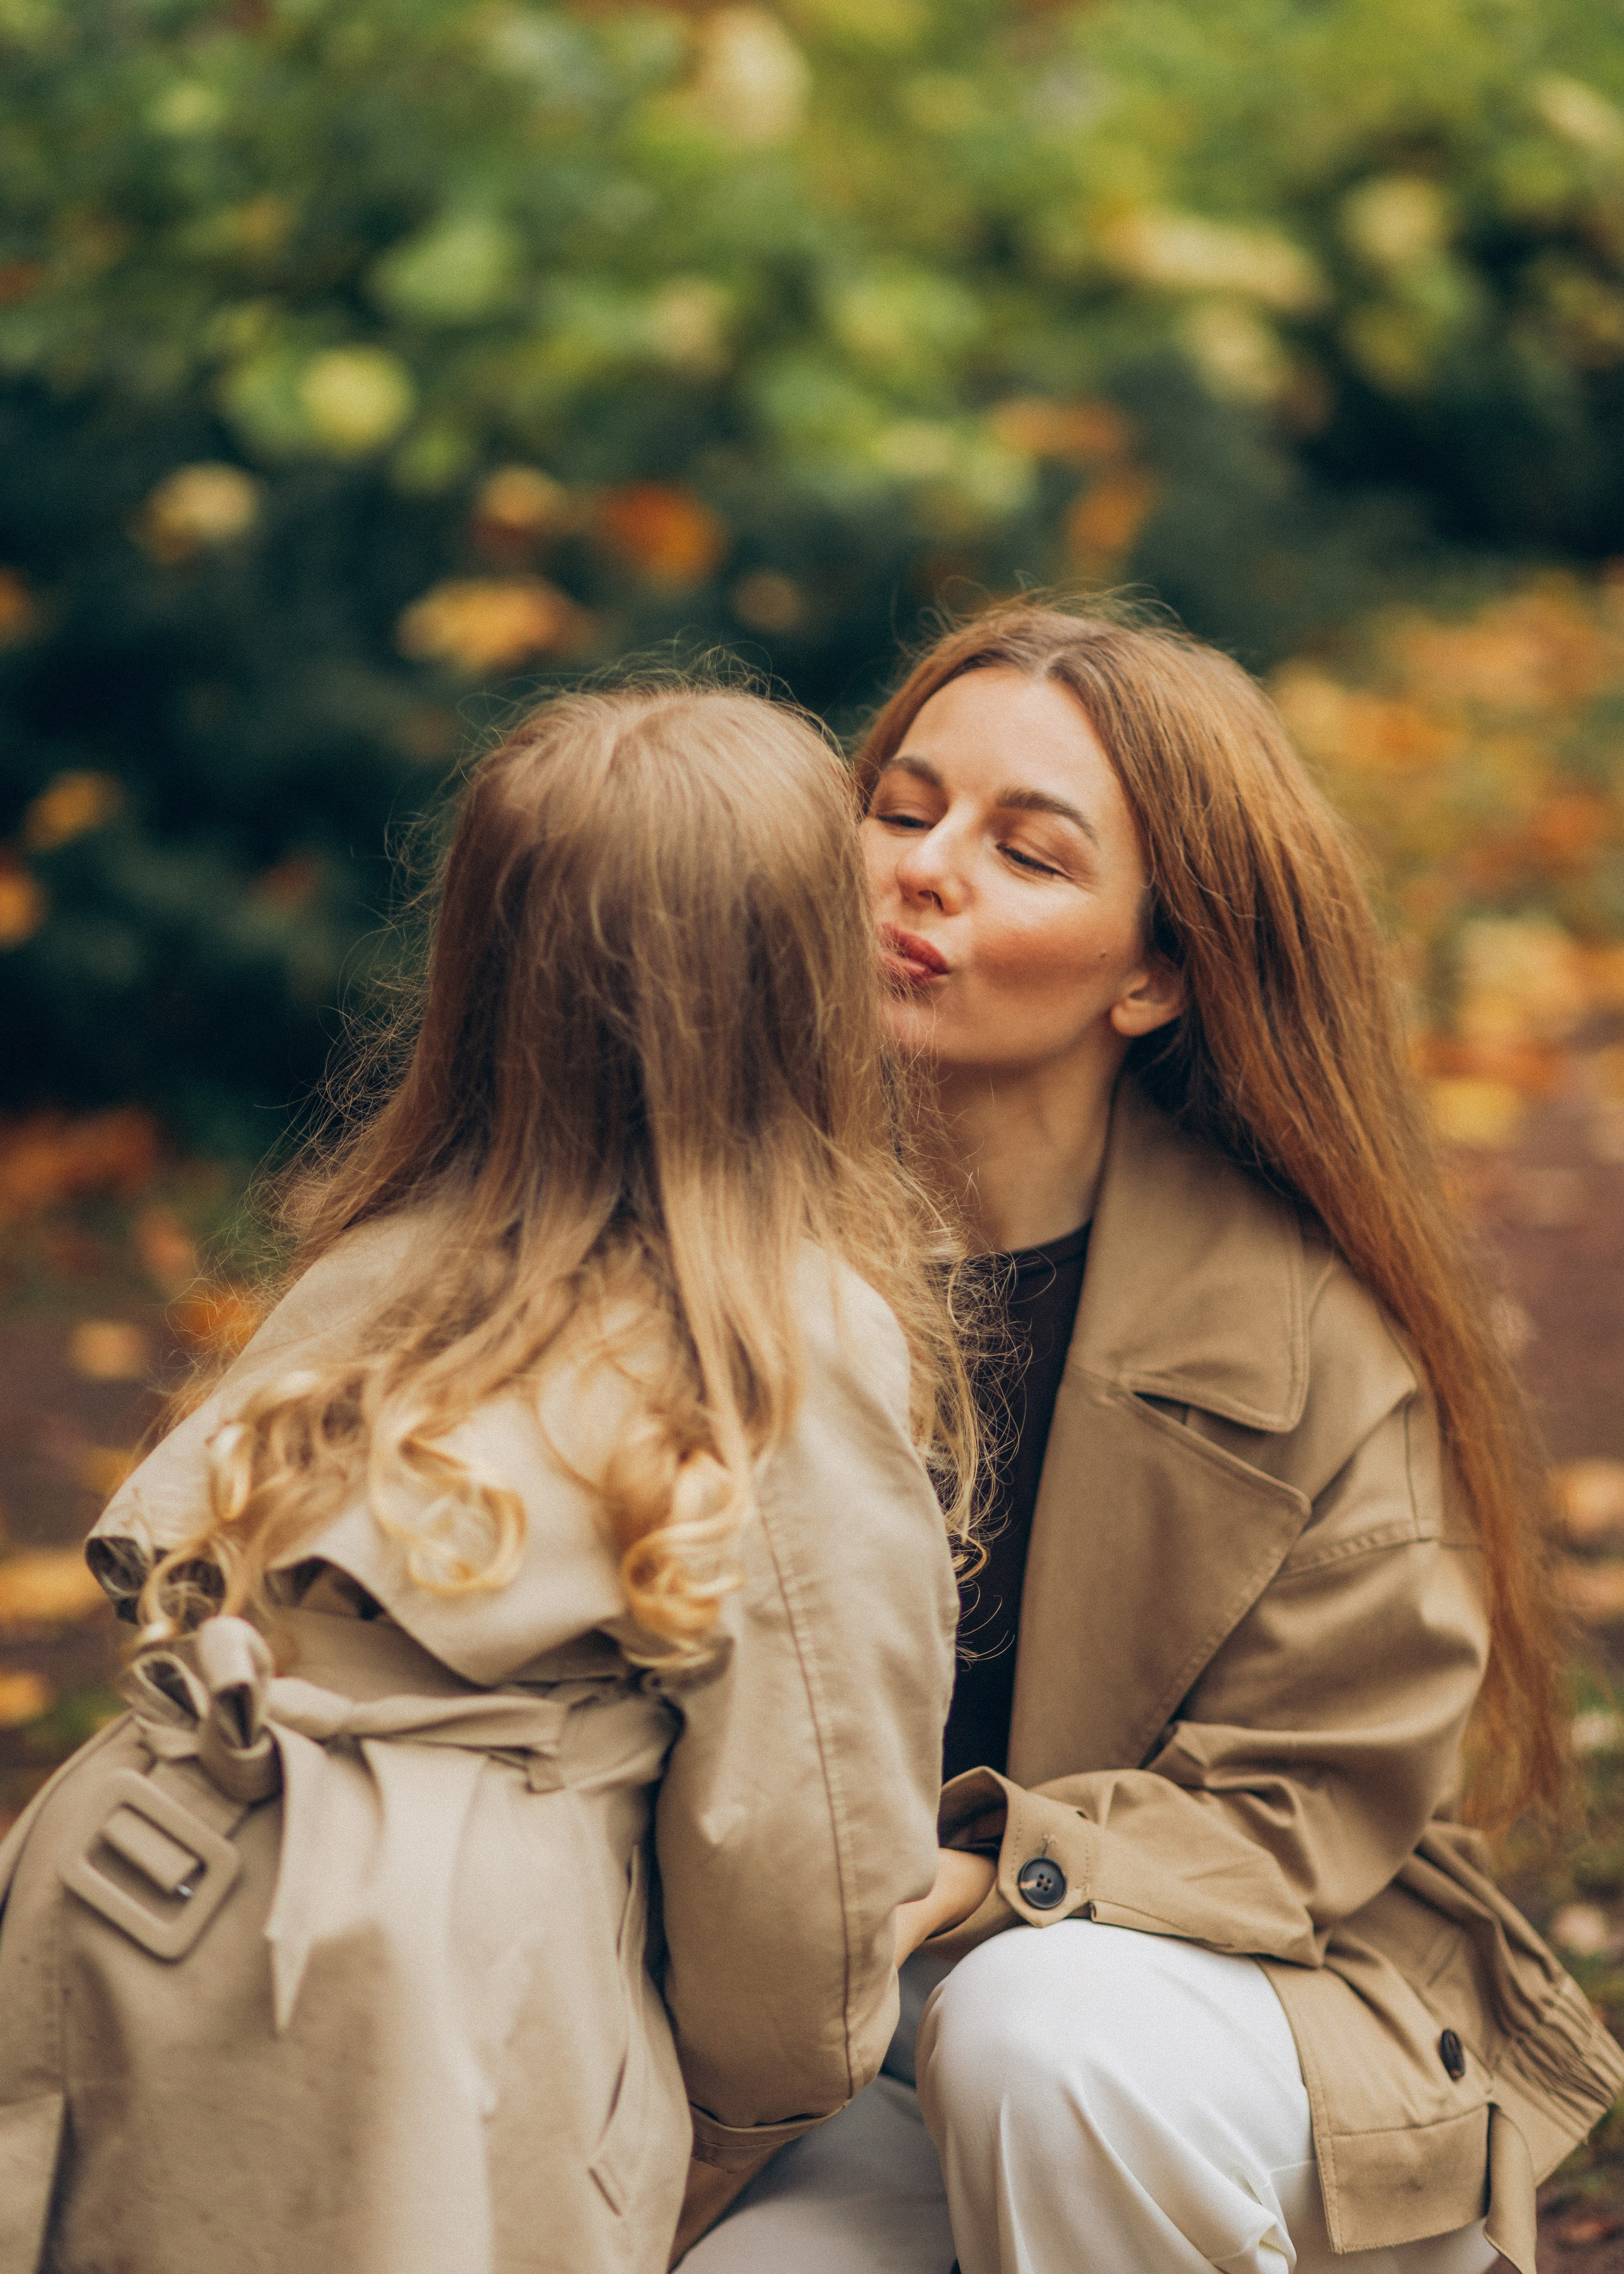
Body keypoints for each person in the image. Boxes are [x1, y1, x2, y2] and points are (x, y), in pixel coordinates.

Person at [0, 683, 993, 2274]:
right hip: (437, 1974)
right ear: (807, 982)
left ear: (479, 968)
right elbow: (802, 1896)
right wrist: (691, 2139)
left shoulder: (371, 1271)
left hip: (125, 1884)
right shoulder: (782, 1342)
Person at [681, 607, 1624, 2274]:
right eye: (899, 811)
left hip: (1233, 2023)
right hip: (855, 2057)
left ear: (1155, 974)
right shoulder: (705, 1242)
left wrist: (978, 1885)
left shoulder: (1306, 1328)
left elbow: (1302, 1804)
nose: (923, 872)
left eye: (1026, 854)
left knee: (1047, 2034)